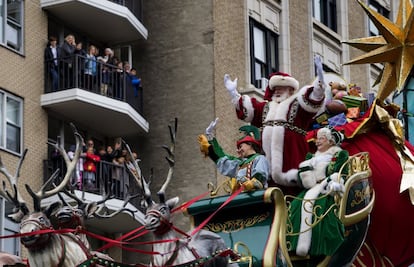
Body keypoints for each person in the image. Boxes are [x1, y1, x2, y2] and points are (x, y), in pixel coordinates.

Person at [224, 55, 326, 189]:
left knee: (294, 188)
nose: (277, 90)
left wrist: (320, 81)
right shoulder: (266, 107)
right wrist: (234, 93)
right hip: (268, 163)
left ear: (291, 90)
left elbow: (313, 99)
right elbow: (248, 110)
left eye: (281, 87)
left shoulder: (297, 105)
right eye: (275, 87)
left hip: (293, 155)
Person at [286, 126, 349, 258]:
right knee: (295, 208)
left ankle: (318, 249)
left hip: (326, 188)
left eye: (322, 139)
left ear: (331, 141)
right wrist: (304, 173)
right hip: (310, 189)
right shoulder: (311, 157)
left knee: (320, 210)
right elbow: (302, 178)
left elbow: (341, 174)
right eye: (317, 139)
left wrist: (334, 182)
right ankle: (294, 246)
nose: (317, 141)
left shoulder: (338, 154)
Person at [198, 118, 269, 192]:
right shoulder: (239, 164)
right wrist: (210, 148)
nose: (238, 150)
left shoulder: (260, 158)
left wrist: (252, 184)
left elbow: (260, 173)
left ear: (250, 145)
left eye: (240, 147)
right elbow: (222, 161)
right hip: (240, 197)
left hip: (255, 197)